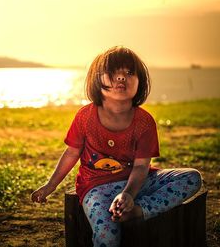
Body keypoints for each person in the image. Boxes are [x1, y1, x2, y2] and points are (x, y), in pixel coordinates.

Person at [31, 46, 202, 247]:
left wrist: (128, 195)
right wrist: (51, 185)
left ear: (140, 82)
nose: (121, 78)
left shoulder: (144, 122)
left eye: (129, 73)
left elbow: (141, 166)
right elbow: (71, 152)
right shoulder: (85, 117)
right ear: (98, 80)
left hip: (137, 183)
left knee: (192, 177)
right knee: (108, 235)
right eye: (113, 73)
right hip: (96, 188)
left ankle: (137, 211)